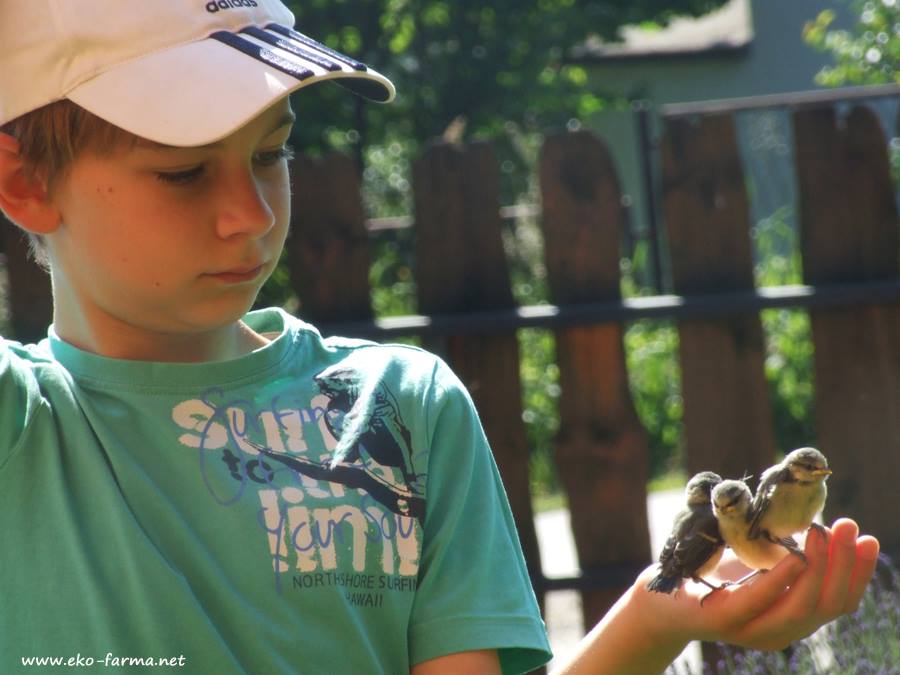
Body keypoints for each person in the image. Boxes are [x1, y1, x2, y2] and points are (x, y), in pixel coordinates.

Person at [0, 1, 880, 674]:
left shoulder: (403, 403)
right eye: (185, 170)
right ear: (26, 179)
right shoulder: (23, 423)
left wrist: (660, 618)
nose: (251, 214)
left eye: (271, 153)